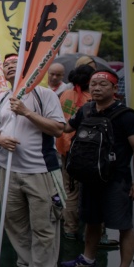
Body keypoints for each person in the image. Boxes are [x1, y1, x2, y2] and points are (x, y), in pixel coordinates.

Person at [0, 54, 65, 267]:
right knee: (14, 222)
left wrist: (26, 112)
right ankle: (28, 263)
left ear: (28, 69)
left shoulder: (44, 94)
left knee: (43, 225)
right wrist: (0, 139)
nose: (9, 67)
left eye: (15, 63)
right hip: (9, 172)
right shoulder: (1, 98)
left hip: (40, 171)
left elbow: (58, 128)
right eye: (6, 64)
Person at [60, 69, 134, 267]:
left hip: (117, 181)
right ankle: (88, 259)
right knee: (92, 221)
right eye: (93, 84)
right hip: (90, 178)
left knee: (124, 225)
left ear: (114, 88)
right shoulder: (86, 110)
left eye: (103, 84)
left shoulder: (126, 115)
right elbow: (65, 128)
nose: (97, 87)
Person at [55, 64, 93, 241]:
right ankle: (92, 232)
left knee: (70, 190)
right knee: (91, 192)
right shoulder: (92, 99)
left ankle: (69, 228)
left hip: (65, 147)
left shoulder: (65, 95)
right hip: (86, 152)